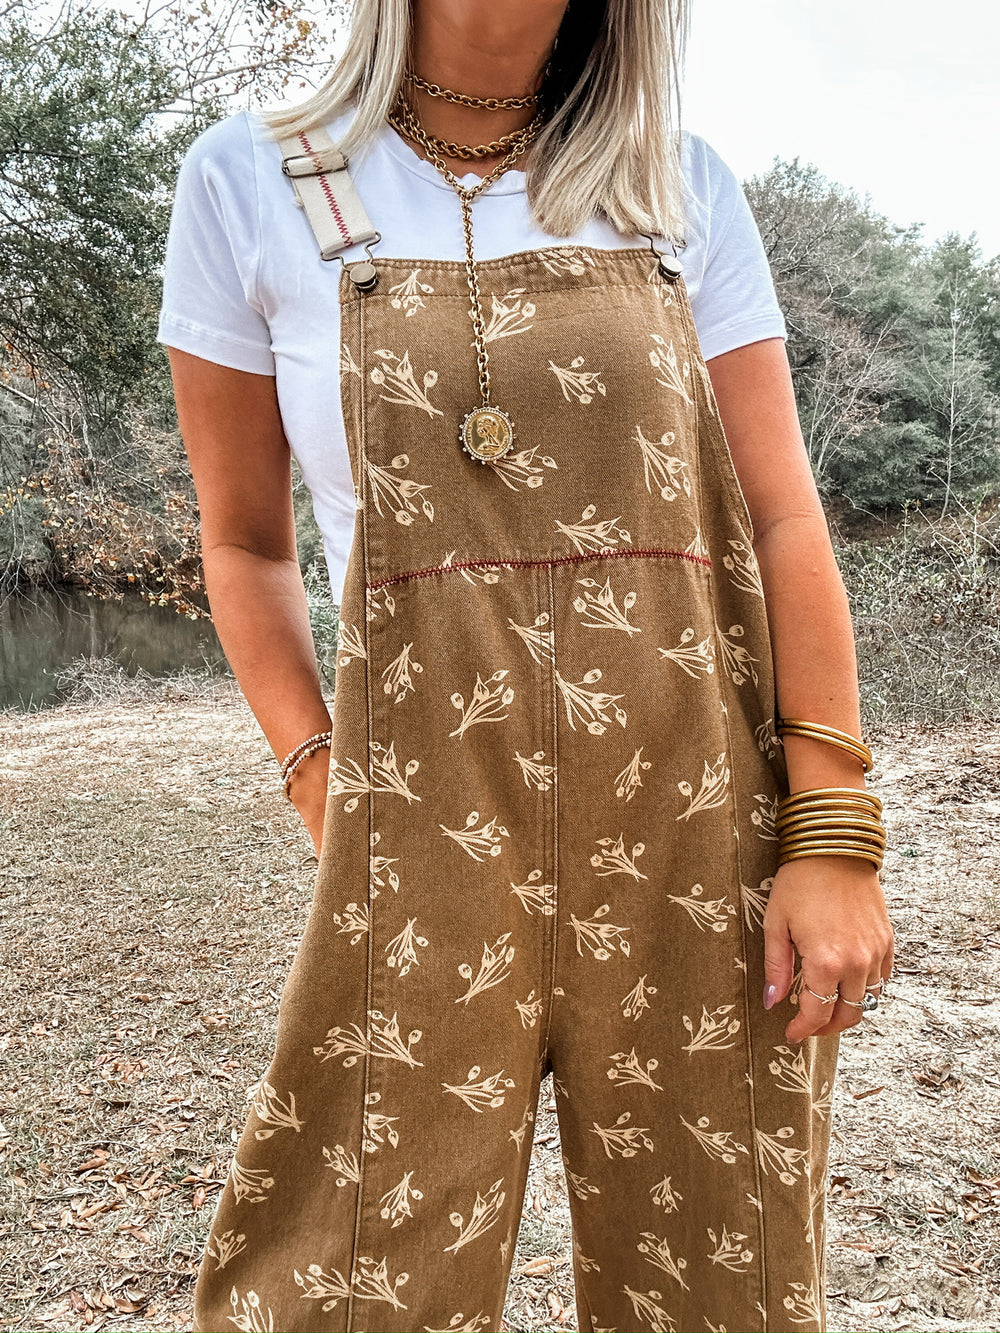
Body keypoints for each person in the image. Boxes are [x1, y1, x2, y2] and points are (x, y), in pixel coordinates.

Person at [159, 1, 895, 1329]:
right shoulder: (250, 181)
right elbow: (245, 543)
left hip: (695, 834)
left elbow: (784, 515)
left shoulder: (675, 185)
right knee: (344, 1285)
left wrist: (833, 830)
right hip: (421, 832)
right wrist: (322, 778)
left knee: (719, 1288)